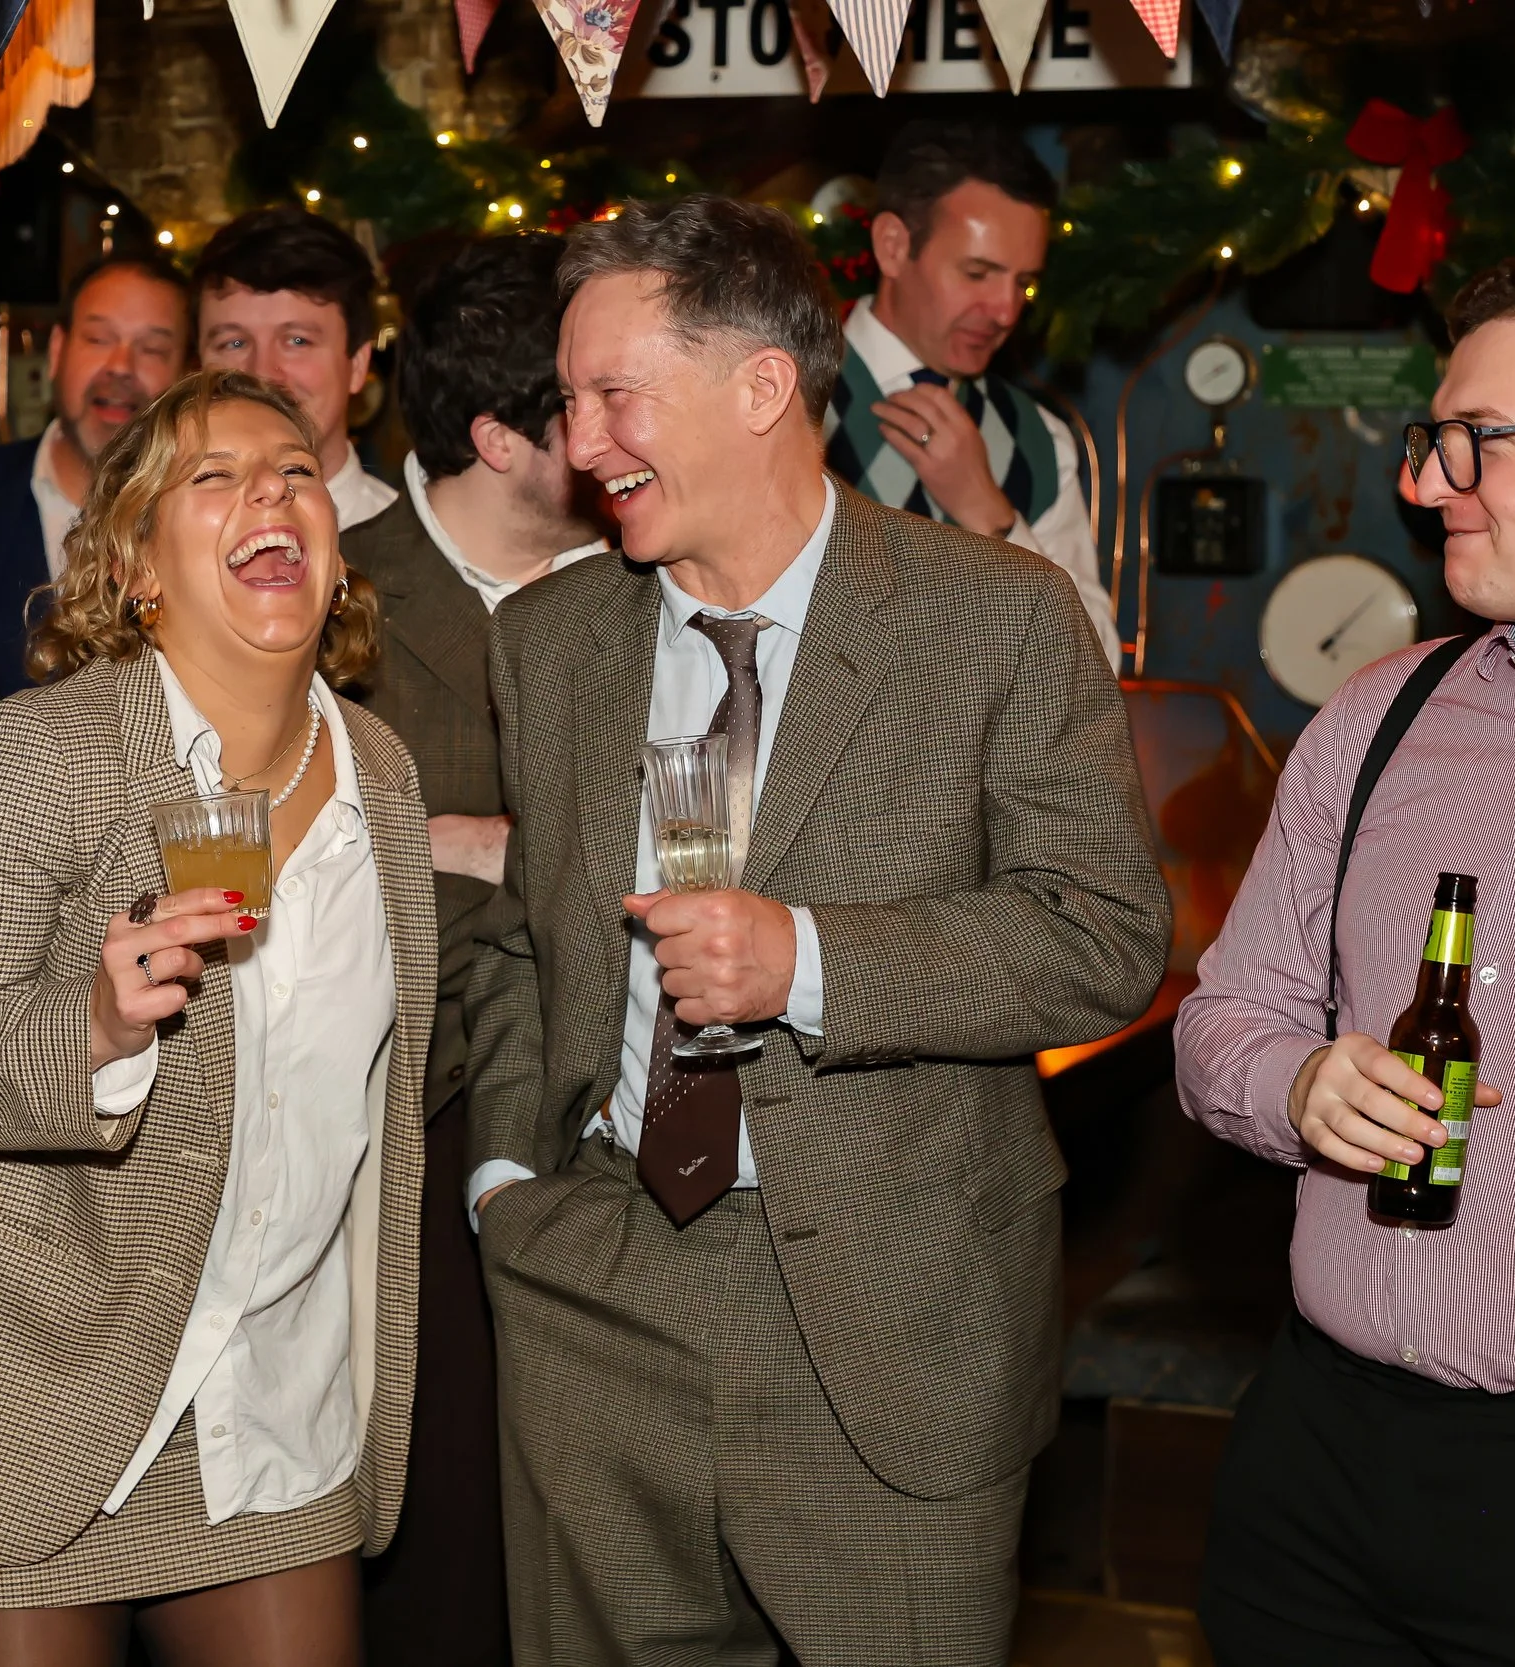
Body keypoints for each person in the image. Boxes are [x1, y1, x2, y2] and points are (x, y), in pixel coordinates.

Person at [466, 195, 1169, 1666]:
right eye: (571, 398)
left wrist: (812, 961)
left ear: (761, 387)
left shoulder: (995, 619)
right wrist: (508, 1176)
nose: (581, 441)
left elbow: (1102, 935)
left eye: (614, 395)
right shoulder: (550, 638)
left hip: (888, 1315)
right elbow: (532, 938)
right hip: (596, 1279)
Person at [0, 368, 433, 1666]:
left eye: (297, 471)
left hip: (270, 1396)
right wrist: (91, 1028)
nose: (271, 490)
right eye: (215, 476)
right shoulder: (41, 755)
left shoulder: (381, 772)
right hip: (20, 1387)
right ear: (137, 565)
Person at [1175, 248, 1515, 1667]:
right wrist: (1297, 1084)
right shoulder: (1381, 713)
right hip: (1314, 1457)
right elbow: (1224, 1019)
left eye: (1479, 444)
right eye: (1429, 442)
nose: (1425, 482)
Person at [338, 230, 605, 1667]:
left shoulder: (644, 588)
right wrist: (430, 837)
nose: (628, 433)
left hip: (624, 1127)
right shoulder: (333, 601)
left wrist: (498, 842)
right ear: (503, 434)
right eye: (593, 404)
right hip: (405, 1133)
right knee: (438, 1542)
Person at [823, 120, 1119, 667]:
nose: (1007, 311)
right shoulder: (780, 399)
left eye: (1024, 282)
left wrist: (992, 517)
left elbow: (1098, 663)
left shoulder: (1039, 441)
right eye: (978, 272)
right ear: (892, 246)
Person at [0, 251, 190, 693]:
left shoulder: (208, 524)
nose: (121, 366)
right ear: (58, 350)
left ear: (185, 374)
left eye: (153, 348)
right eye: (99, 339)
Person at [196, 207, 398, 531]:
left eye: (297, 341)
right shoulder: (150, 547)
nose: (262, 373)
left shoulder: (412, 557)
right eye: (234, 343)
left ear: (358, 365)